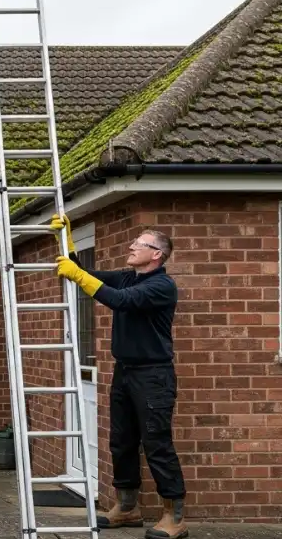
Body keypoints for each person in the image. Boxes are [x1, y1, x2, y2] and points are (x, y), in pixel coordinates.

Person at [50, 213, 186, 539]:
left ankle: (175, 517)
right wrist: (67, 241)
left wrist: (80, 278)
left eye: (139, 244)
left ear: (157, 254)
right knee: (121, 441)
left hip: (153, 376)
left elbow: (120, 302)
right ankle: (127, 508)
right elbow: (85, 274)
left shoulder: (161, 286)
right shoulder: (129, 277)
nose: (131, 246)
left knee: (157, 444)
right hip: (125, 372)